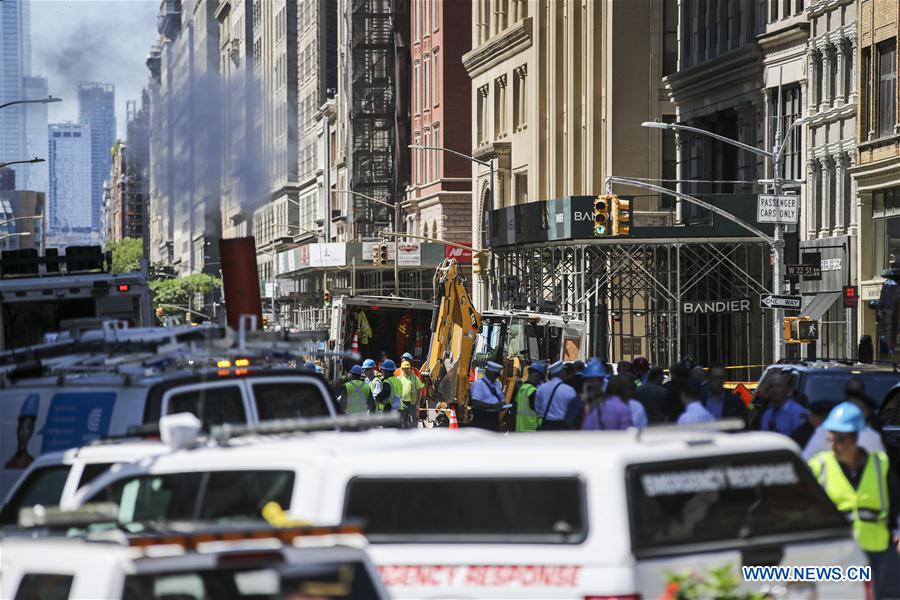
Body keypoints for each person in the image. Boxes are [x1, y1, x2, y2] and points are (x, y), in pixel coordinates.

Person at [808, 402, 900, 599]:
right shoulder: (819, 466)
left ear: (856, 438)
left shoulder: (880, 464)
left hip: (877, 549)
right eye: (831, 438)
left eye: (840, 440)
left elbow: (896, 502)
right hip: (835, 552)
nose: (834, 445)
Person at [803, 394, 885, 461]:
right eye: (830, 440)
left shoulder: (822, 432)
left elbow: (805, 462)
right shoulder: (873, 436)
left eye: (840, 439)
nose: (834, 445)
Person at [758, 372, 808, 437]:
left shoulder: (798, 413)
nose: (774, 390)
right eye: (772, 386)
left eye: (779, 386)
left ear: (788, 391)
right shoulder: (767, 414)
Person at [534, 361, 580, 430]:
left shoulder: (541, 388)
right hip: (562, 426)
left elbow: (537, 409)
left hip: (546, 425)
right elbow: (575, 411)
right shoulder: (569, 390)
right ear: (561, 373)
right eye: (564, 371)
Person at [468, 361, 506, 431]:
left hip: (494, 418)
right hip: (482, 418)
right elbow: (476, 403)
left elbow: (501, 398)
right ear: (489, 372)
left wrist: (502, 404)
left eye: (497, 375)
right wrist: (493, 406)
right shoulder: (478, 384)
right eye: (495, 375)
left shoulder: (497, 384)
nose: (496, 377)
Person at [6, 394, 38, 469]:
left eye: (28, 428)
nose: (23, 434)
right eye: (21, 428)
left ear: (32, 431)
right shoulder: (9, 464)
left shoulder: (34, 464)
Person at [513, 362, 544, 432]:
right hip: (531, 431)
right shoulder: (532, 391)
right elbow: (539, 413)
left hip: (520, 430)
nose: (540, 382)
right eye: (540, 379)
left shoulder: (522, 388)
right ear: (537, 376)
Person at [397, 360, 424, 428]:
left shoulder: (415, 378)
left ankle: (414, 435)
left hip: (412, 403)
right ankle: (404, 435)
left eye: (407, 368)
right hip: (402, 403)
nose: (406, 370)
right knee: (403, 421)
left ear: (410, 368)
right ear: (401, 369)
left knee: (414, 422)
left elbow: (420, 389)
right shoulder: (399, 379)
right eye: (404, 368)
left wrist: (418, 403)